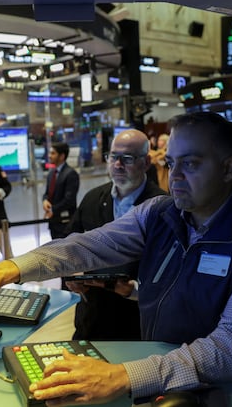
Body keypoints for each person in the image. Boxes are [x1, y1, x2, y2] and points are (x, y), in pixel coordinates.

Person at [0, 111, 232, 405]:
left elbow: (231, 349)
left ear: (228, 167)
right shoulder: (160, 213)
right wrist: (9, 268)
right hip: (161, 375)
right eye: (171, 163)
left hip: (228, 390)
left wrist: (125, 376)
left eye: (190, 164)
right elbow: (87, 246)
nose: (175, 177)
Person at [64, 129, 167, 340]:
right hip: (92, 319)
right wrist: (71, 276)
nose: (118, 165)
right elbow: (70, 246)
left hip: (138, 325)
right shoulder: (93, 199)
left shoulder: (163, 208)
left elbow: (171, 274)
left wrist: (133, 290)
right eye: (113, 157)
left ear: (146, 162)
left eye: (127, 158)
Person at [43, 141, 80, 239]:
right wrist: (45, 200)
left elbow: (69, 200)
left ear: (62, 156)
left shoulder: (71, 174)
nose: (49, 156)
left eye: (53, 153)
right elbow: (47, 193)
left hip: (66, 224)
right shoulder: (51, 173)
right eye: (50, 153)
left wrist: (52, 209)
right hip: (53, 223)